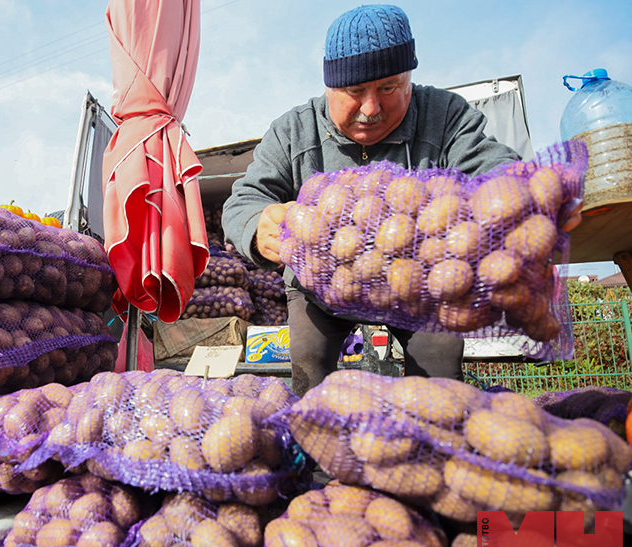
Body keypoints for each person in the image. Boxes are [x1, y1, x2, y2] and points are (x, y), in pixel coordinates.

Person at [222, 4, 582, 397]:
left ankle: (431, 442)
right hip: (321, 289)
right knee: (308, 360)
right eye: (355, 91)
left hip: (421, 283)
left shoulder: (444, 115)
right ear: (329, 87)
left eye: (389, 87)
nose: (371, 108)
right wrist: (258, 227)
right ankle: (315, 450)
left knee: (439, 366)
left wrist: (525, 193)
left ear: (409, 77)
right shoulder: (294, 130)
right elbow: (245, 198)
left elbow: (489, 165)